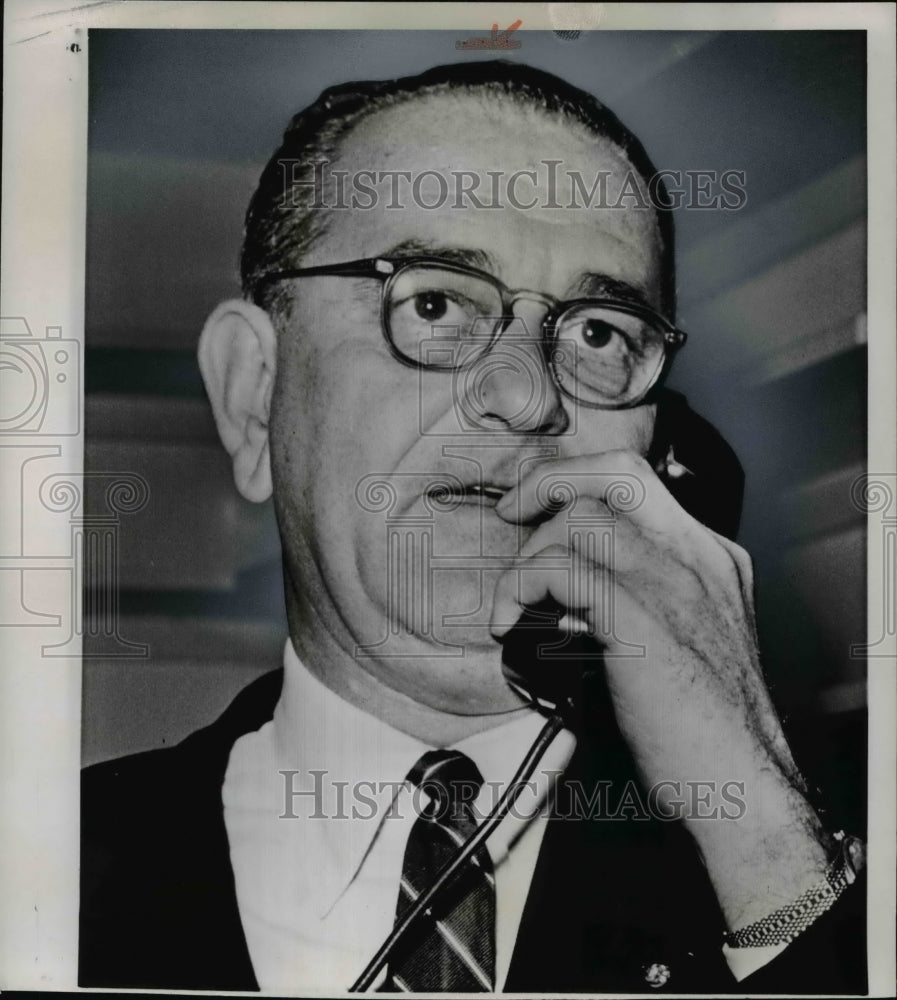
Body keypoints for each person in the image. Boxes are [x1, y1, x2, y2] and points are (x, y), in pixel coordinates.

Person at [79, 60, 865, 993]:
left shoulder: (783, 873)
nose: (524, 397)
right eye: (436, 302)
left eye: (598, 333)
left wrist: (760, 833)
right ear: (254, 396)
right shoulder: (56, 865)